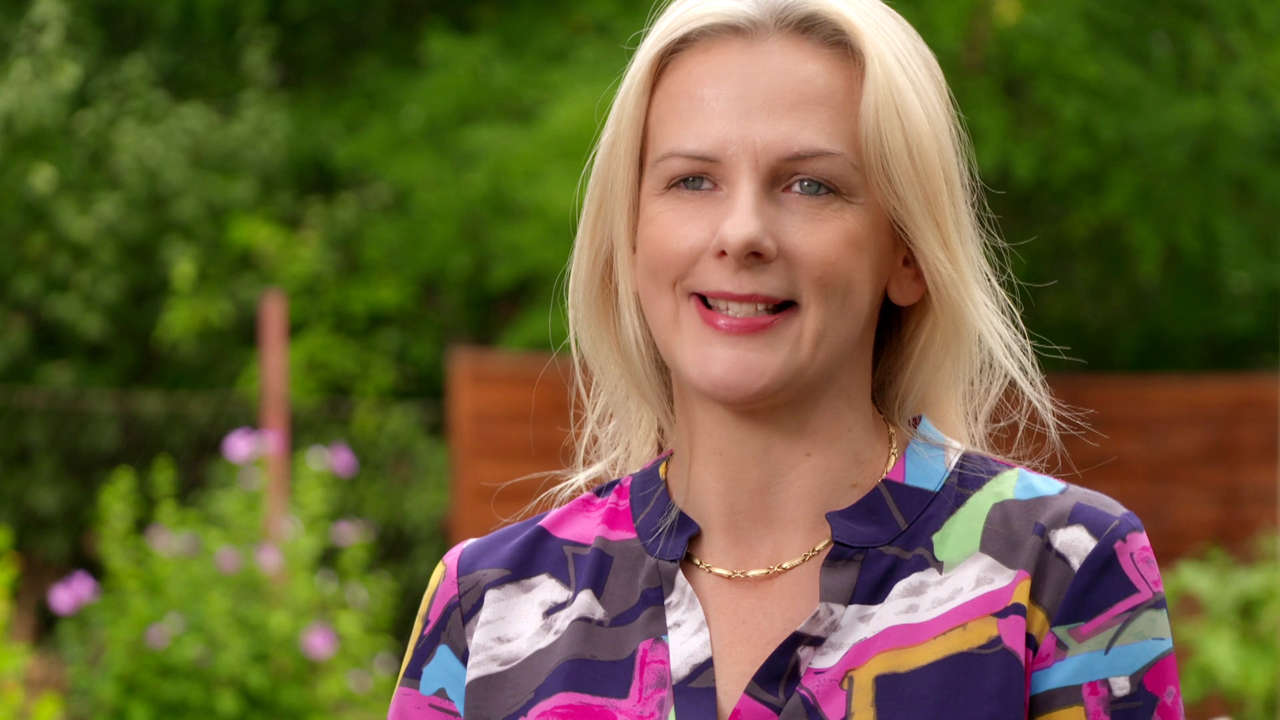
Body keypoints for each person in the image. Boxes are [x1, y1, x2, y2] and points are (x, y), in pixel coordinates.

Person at [388, 0, 1183, 717]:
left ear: (908, 254)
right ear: (629, 239)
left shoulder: (1060, 571)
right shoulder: (486, 606)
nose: (742, 233)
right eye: (692, 180)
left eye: (809, 186)